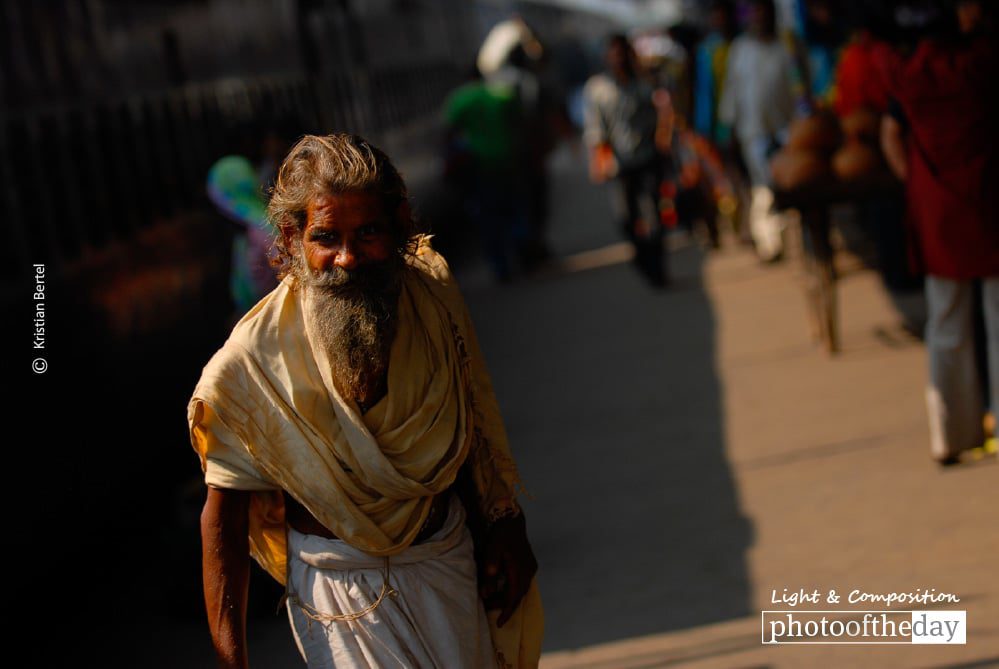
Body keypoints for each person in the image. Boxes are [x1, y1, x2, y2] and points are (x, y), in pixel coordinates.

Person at [189, 134, 544, 668]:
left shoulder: (431, 301)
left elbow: (470, 420)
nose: (348, 258)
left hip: (445, 562)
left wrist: (504, 524)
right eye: (327, 237)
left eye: (368, 233)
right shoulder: (249, 364)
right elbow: (224, 522)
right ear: (293, 237)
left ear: (400, 224)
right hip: (340, 598)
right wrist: (230, 661)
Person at [874, 4, 999, 465]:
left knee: (945, 323)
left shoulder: (905, 75)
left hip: (938, 214)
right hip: (987, 204)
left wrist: (918, 183)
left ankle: (949, 434)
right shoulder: (981, 63)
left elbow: (890, 136)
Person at [583, 33, 671, 287]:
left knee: (654, 214)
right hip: (620, 165)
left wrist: (664, 141)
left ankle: (658, 266)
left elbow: (664, 115)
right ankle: (641, 255)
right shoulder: (598, 89)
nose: (618, 58)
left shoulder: (646, 83)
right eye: (613, 53)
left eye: (622, 52)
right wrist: (597, 161)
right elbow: (595, 130)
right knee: (625, 218)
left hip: (648, 157)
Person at [717, 0, 798, 263]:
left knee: (784, 183)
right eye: (756, 13)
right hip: (752, 131)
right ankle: (769, 244)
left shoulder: (785, 46)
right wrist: (728, 126)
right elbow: (731, 90)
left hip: (785, 128)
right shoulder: (741, 49)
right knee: (762, 186)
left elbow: (799, 85)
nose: (760, 18)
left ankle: (786, 237)